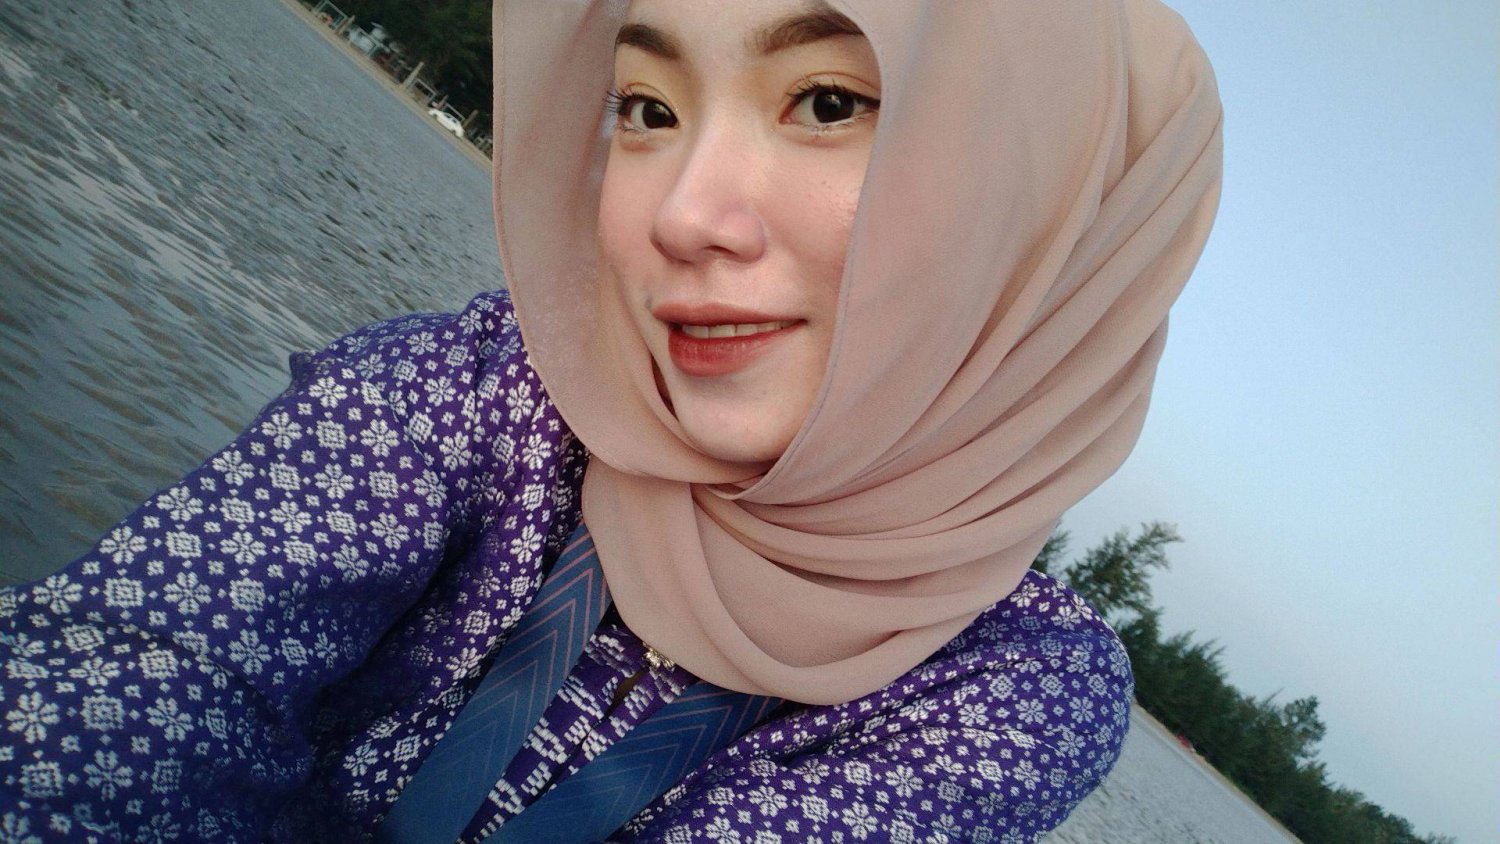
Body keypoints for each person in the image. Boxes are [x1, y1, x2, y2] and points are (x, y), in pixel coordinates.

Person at [0, 0, 1222, 840]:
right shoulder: (507, 381)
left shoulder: (1013, 681)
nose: (680, 214)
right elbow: (145, 663)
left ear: (1053, 216)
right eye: (645, 107)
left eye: (828, 100)